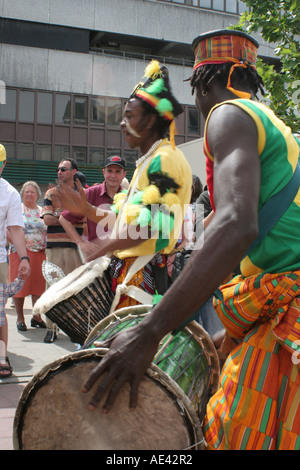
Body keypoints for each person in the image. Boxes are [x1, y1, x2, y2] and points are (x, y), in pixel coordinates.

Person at [78, 30, 300, 451]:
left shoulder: (227, 115)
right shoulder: (274, 127)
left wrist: (150, 333)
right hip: (270, 299)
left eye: (131, 113)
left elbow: (232, 225)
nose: (124, 122)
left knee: (234, 434)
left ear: (201, 85)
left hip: (273, 301)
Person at [57, 59, 192, 314]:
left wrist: (100, 248)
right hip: (131, 275)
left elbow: (151, 226)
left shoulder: (165, 160)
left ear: (151, 120)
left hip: (144, 280)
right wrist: (86, 209)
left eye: (129, 116)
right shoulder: (148, 161)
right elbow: (124, 219)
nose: (122, 123)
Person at [41, 158, 84, 343]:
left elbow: (84, 218)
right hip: (55, 249)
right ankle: (51, 327)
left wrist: (58, 215)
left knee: (76, 289)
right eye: (58, 169)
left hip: (76, 248)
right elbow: (47, 220)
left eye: (64, 169)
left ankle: (74, 329)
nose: (59, 172)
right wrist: (67, 217)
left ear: (74, 171)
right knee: (52, 287)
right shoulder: (51, 193)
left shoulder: (83, 193)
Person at [0, 145, 30, 377]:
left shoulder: (9, 193)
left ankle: (2, 357)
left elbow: (16, 230)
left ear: (3, 164)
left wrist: (24, 257)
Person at [59, 156, 126, 259]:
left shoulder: (130, 197)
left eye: (117, 172)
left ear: (124, 174)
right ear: (103, 172)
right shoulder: (90, 193)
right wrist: (80, 242)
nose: (113, 175)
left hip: (123, 259)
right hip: (97, 259)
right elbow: (64, 219)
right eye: (109, 171)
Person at [8, 181, 47, 331]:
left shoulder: (42, 211)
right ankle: (20, 318)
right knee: (20, 286)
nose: (29, 194)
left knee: (38, 286)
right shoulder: (16, 210)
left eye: (32, 192)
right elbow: (8, 230)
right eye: (26, 191)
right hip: (20, 254)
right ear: (22, 194)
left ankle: (36, 317)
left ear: (38, 195)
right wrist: (19, 247)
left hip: (39, 253)